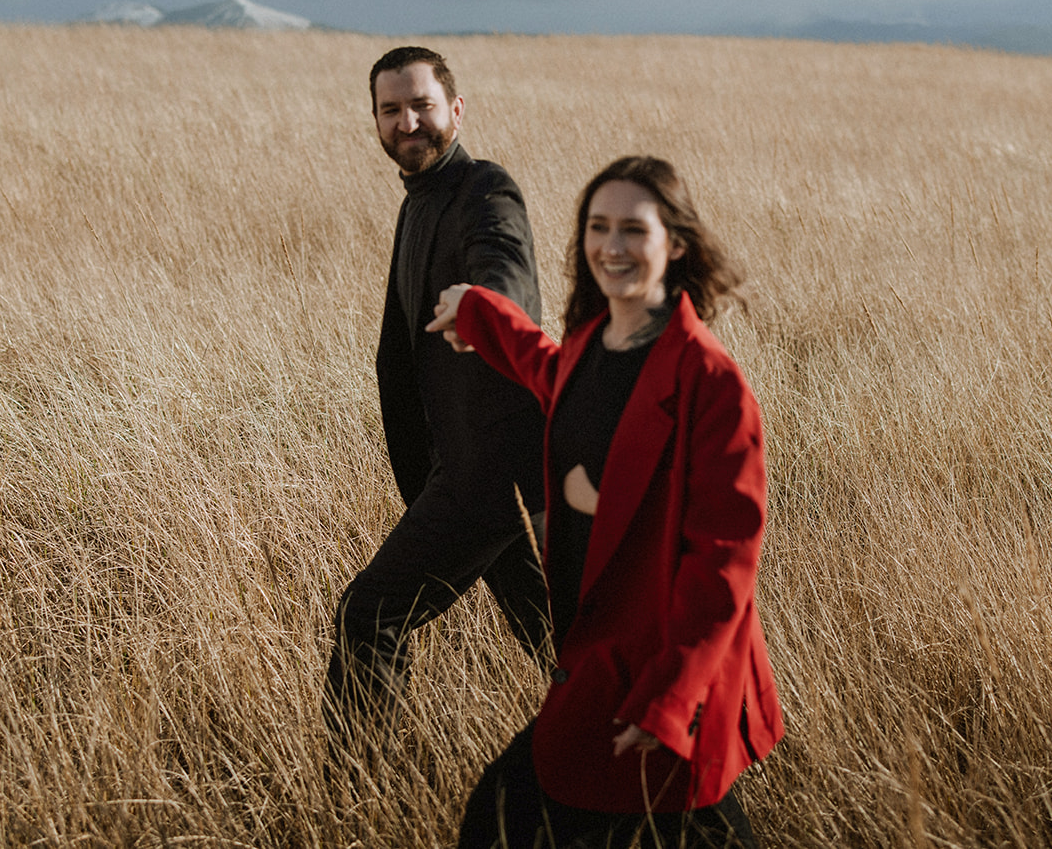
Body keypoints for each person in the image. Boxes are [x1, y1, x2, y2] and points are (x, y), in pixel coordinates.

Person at [427, 156, 783, 848]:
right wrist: (478, 309)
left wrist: (670, 701)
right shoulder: (595, 342)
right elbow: (548, 370)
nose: (611, 246)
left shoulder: (711, 382)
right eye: (598, 227)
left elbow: (725, 564)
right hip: (599, 655)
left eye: (633, 229)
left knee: (528, 816)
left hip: (661, 666)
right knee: (511, 814)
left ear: (675, 244)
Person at [323, 47, 551, 768]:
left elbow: (503, 266)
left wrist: (485, 303)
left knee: (370, 613)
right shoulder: (420, 199)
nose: (407, 122)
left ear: (456, 109)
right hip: (499, 468)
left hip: (489, 468)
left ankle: (355, 795)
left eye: (421, 105)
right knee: (572, 648)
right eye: (390, 110)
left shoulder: (485, 190)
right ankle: (683, 794)